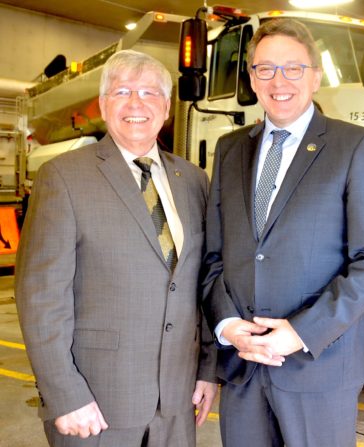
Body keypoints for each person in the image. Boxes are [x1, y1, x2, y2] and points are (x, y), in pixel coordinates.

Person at [202, 18, 364, 447]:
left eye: (293, 68)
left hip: (319, 365)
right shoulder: (230, 149)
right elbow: (215, 255)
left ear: (315, 76)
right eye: (265, 69)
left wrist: (301, 331)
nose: (279, 81)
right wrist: (228, 325)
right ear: (252, 78)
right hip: (243, 366)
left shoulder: (355, 146)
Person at [15, 49, 217, 447]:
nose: (136, 103)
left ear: (166, 107)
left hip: (177, 401)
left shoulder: (193, 180)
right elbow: (41, 297)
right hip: (96, 403)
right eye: (122, 92)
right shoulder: (63, 176)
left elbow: (202, 284)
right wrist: (64, 394)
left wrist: (207, 370)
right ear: (104, 104)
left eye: (149, 92)